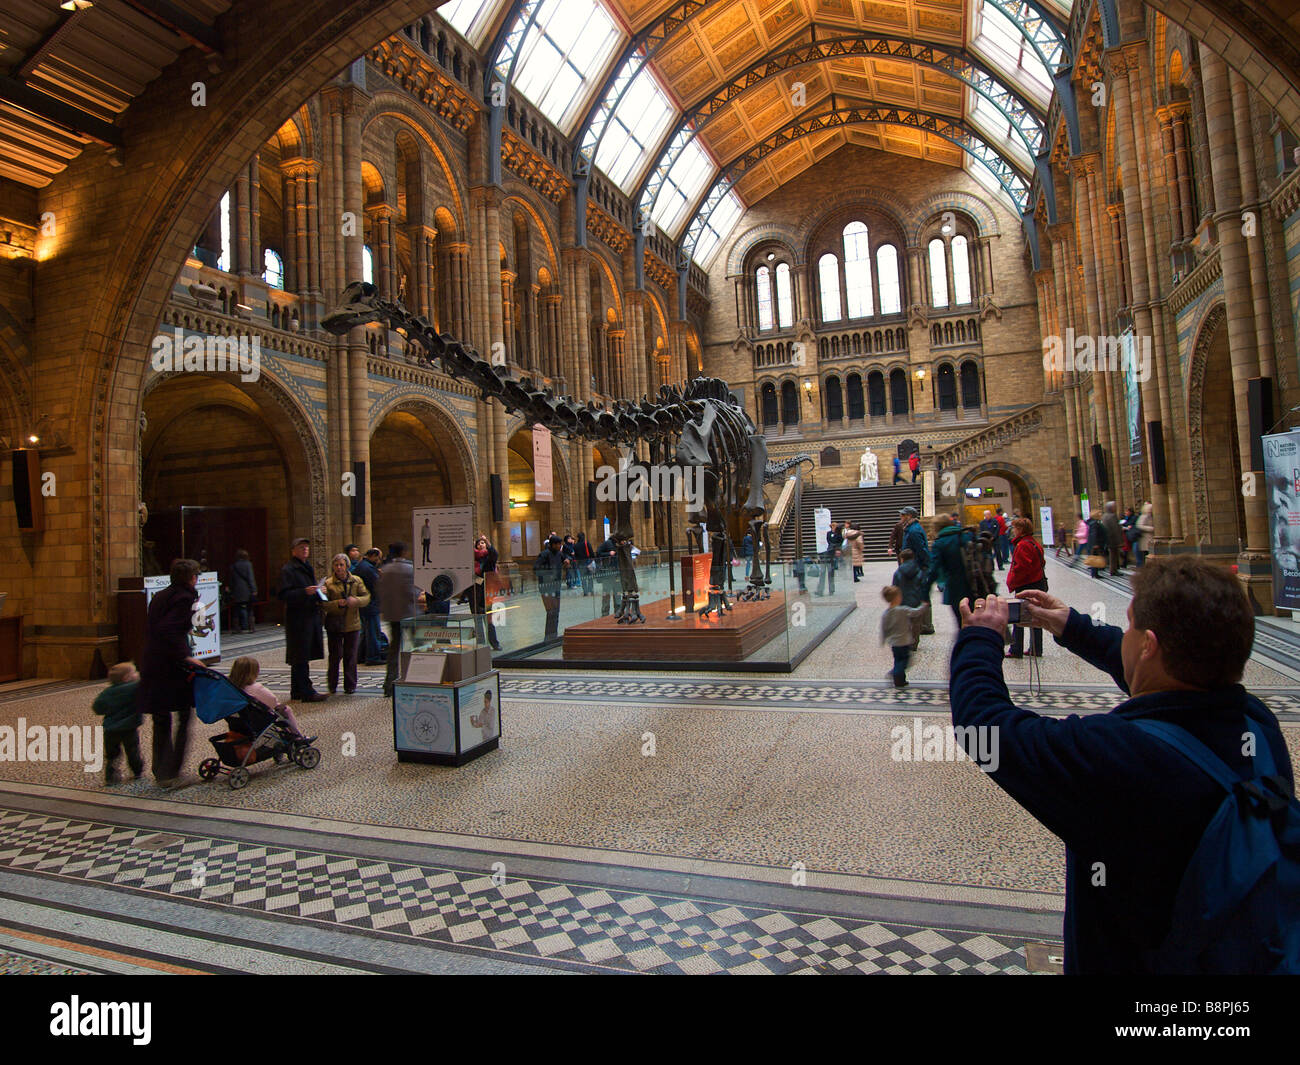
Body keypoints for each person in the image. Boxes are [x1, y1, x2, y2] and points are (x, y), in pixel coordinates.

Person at [950, 558, 1293, 974]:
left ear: (1147, 644)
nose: (1124, 635)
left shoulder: (1115, 755)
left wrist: (981, 639)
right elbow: (1169, 673)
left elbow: (984, 728)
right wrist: (1070, 625)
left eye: (1129, 626)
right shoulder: (1259, 725)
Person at [138, 557, 203, 787]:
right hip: (169, 667)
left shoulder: (162, 595)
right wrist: (185, 656)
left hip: (153, 662)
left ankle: (162, 770)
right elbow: (169, 629)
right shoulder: (184, 597)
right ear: (191, 578)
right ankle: (170, 772)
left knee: (161, 717)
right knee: (183, 715)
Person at [278, 538, 327, 703]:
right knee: (300, 655)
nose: (305, 550)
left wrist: (319, 591)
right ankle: (307, 691)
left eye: (307, 547)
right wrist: (304, 592)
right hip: (298, 619)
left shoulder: (307, 567)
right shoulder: (288, 570)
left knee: (301, 655)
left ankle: (297, 690)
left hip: (308, 616)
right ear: (293, 550)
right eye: (301, 547)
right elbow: (283, 595)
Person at [228, 656, 311, 740]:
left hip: (238, 721)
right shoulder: (256, 688)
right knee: (286, 710)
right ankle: (296, 736)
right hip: (257, 720)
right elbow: (273, 701)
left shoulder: (230, 688)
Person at [322, 552, 369, 694]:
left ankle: (350, 685)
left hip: (352, 624)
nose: (339, 568)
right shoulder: (328, 583)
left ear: (347, 566)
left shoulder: (356, 580)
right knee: (335, 656)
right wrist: (338, 604)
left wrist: (357, 601)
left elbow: (366, 597)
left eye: (341, 565)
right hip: (334, 624)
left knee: (351, 656)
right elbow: (323, 604)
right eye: (336, 565)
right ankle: (332, 684)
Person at [380, 542, 420, 697]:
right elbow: (413, 592)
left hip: (392, 614)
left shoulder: (385, 569)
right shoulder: (409, 569)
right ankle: (418, 678)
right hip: (409, 613)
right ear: (403, 552)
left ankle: (389, 683)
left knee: (394, 648)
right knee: (416, 647)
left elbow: (382, 592)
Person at [93, 661, 143, 784]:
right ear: (127, 678)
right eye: (134, 672)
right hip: (129, 728)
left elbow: (97, 707)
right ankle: (137, 771)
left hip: (110, 729)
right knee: (133, 751)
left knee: (112, 755)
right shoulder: (134, 687)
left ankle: (111, 776)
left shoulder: (107, 692)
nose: (137, 674)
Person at [1005, 516, 1047, 658]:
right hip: (1037, 582)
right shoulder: (1034, 542)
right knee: (1035, 615)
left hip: (1026, 584)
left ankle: (1016, 649)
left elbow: (1022, 567)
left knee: (1019, 616)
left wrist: (1013, 580)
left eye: (1015, 528)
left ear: (1021, 530)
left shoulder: (1023, 545)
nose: (1013, 530)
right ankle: (1036, 648)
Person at [929, 514, 976, 628]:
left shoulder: (940, 543)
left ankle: (966, 643)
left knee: (962, 622)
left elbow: (934, 569)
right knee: (976, 619)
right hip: (976, 584)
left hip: (956, 588)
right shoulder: (966, 536)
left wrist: (925, 592)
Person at [881, 585, 927, 688]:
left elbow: (884, 627)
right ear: (897, 598)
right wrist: (924, 606)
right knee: (905, 660)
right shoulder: (903, 610)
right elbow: (916, 612)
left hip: (894, 642)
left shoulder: (886, 613)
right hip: (904, 641)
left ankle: (900, 680)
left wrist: (884, 639)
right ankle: (895, 673)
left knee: (898, 660)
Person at [351, 547, 384, 665]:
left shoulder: (362, 565)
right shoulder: (368, 568)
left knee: (366, 632)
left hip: (365, 605)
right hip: (370, 604)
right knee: (372, 632)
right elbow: (377, 585)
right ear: (373, 556)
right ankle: (373, 657)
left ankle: (361, 656)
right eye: (378, 558)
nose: (379, 561)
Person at [891, 548, 929, 650]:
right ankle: (914, 643)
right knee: (916, 623)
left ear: (902, 559)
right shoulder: (919, 571)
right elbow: (924, 586)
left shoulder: (898, 572)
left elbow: (894, 587)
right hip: (916, 600)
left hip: (902, 601)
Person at [471, 532, 502, 650]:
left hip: (487, 591)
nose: (481, 545)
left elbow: (495, 554)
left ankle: (494, 643)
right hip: (475, 592)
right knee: (478, 618)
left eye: (482, 543)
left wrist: (487, 541)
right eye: (479, 543)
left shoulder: (489, 558)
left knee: (489, 619)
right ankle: (481, 644)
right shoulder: (473, 559)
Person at [535, 534, 566, 640]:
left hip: (556, 585)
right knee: (551, 611)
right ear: (553, 545)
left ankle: (554, 634)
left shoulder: (559, 554)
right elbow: (536, 568)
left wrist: (567, 560)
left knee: (556, 610)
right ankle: (548, 636)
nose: (560, 546)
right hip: (546, 586)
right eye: (558, 544)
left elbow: (565, 558)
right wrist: (549, 574)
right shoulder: (544, 554)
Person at [228, 549, 257, 634]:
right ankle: (251, 627)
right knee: (249, 608)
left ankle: (237, 628)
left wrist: (231, 589)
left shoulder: (233, 566)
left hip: (237, 590)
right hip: (247, 590)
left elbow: (231, 580)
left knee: (237, 609)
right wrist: (254, 589)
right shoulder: (248, 565)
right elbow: (250, 578)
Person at [596, 532, 620, 616]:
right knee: (606, 593)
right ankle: (605, 614)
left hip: (617, 572)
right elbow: (598, 552)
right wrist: (608, 554)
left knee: (617, 593)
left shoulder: (618, 544)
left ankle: (618, 612)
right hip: (608, 572)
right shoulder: (607, 543)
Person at [816, 521, 843, 596]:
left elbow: (840, 542)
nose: (833, 528)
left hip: (833, 553)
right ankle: (820, 590)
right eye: (832, 526)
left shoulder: (839, 534)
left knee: (831, 572)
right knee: (823, 572)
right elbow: (829, 541)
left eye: (834, 526)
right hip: (829, 551)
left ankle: (831, 589)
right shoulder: (828, 533)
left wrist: (837, 548)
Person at [1102, 500, 1124, 576]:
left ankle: (1113, 569)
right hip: (1113, 540)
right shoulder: (1112, 516)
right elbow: (1116, 529)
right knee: (1113, 555)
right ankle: (1113, 570)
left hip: (1107, 539)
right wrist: (1120, 541)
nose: (1115, 508)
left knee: (1112, 555)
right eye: (1114, 507)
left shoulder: (1104, 516)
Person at [574, 531, 596, 596]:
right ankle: (591, 590)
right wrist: (593, 559)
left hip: (580, 563)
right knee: (590, 577)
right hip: (588, 561)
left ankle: (585, 592)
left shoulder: (576, 545)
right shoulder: (587, 543)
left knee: (583, 578)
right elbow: (591, 552)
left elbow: (576, 555)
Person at [1134, 502, 1154, 568]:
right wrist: (1151, 528)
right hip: (1145, 538)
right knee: (1146, 553)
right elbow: (1139, 526)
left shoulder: (1150, 516)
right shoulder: (1144, 516)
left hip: (1149, 538)